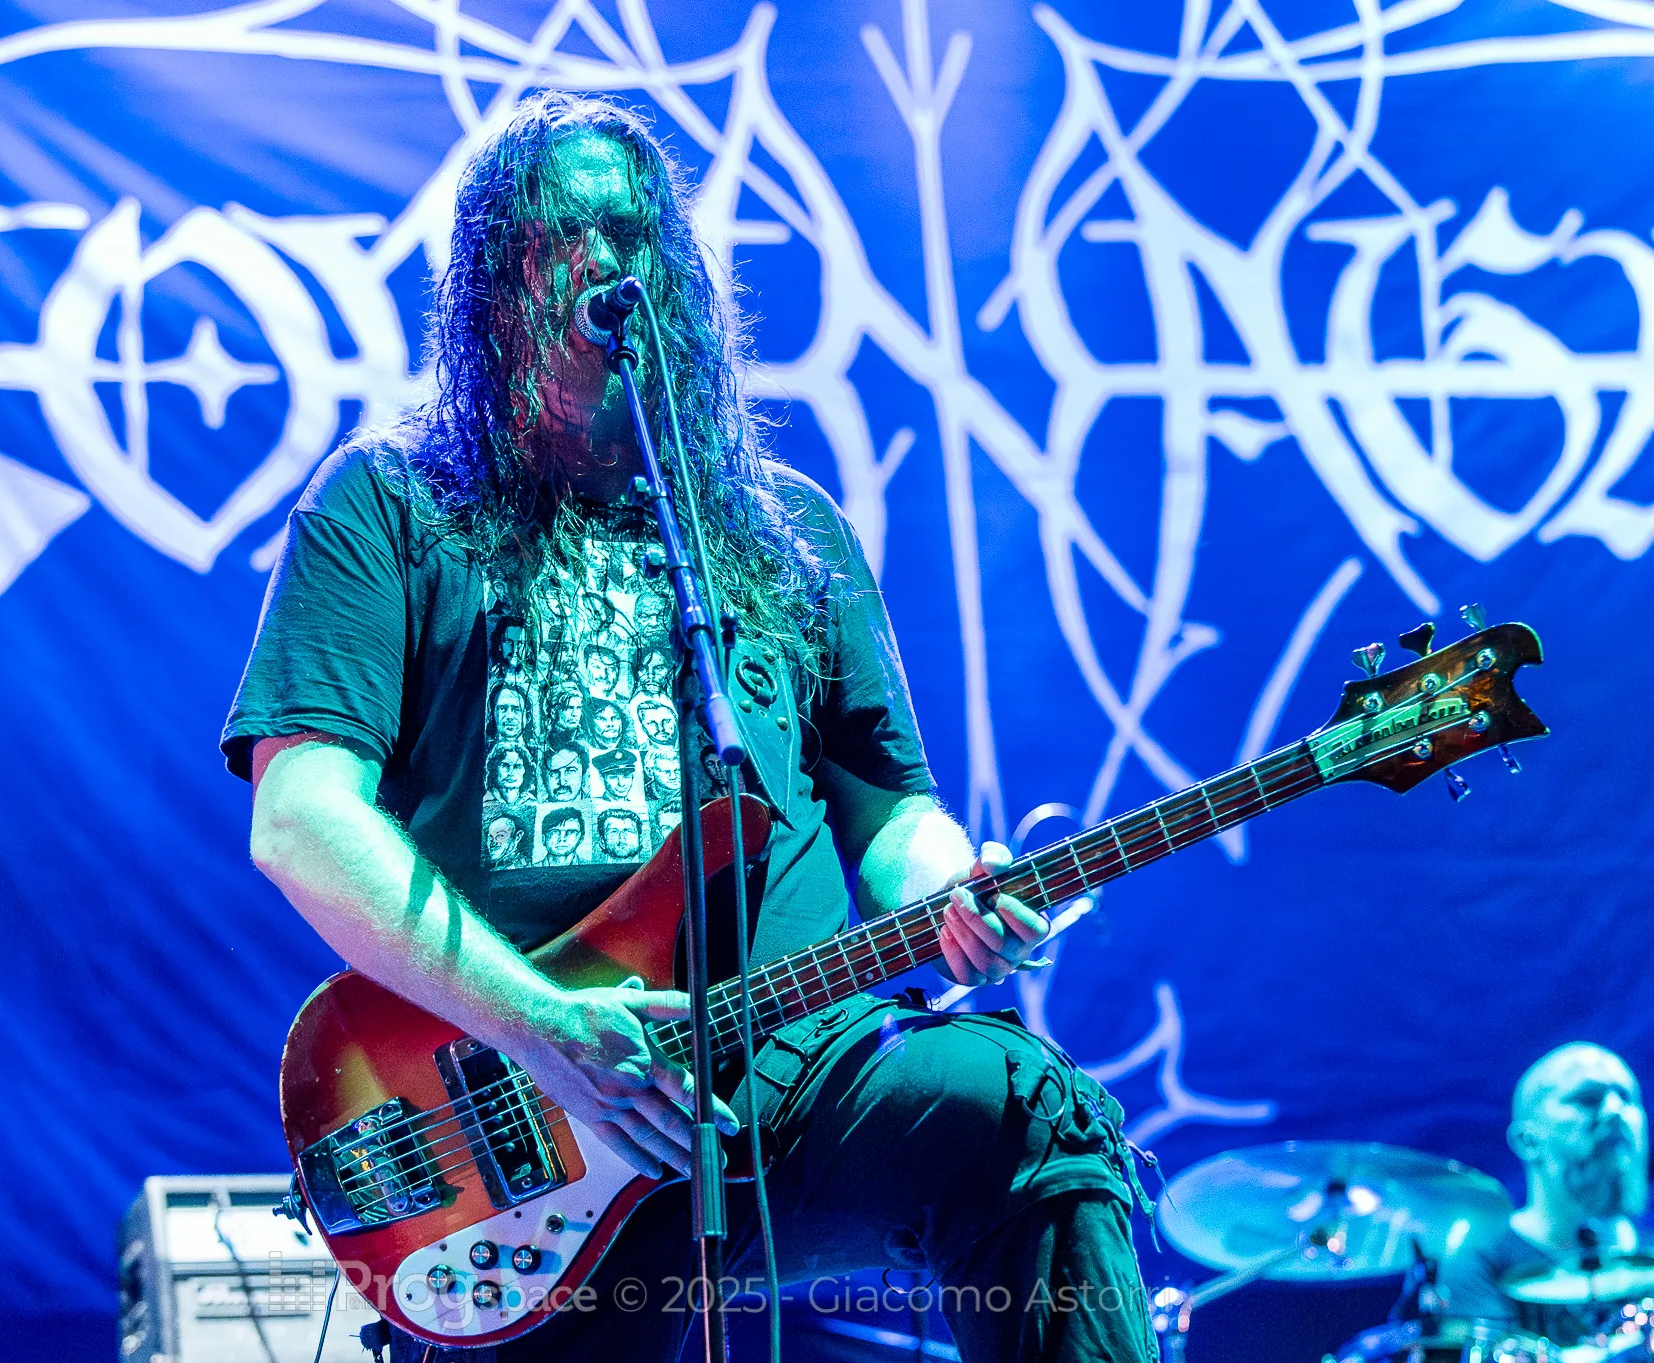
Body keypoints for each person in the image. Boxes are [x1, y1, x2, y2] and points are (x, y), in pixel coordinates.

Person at [224, 92, 1153, 1363]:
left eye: (633, 232)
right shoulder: (390, 502)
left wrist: (951, 892)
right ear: (493, 288)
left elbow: (889, 811)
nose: (605, 263)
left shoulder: (786, 531)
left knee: (1025, 1113)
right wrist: (540, 1021)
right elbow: (299, 817)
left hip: (794, 1070)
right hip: (524, 1116)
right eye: (560, 237)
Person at [1442, 1043, 1654, 1344]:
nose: (1614, 1110)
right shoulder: (1478, 1263)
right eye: (1586, 1098)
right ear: (1528, 1140)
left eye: (1626, 1097)